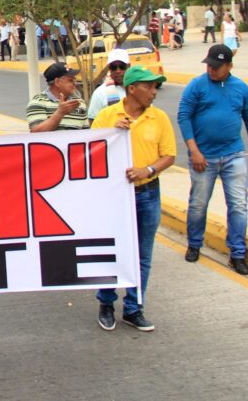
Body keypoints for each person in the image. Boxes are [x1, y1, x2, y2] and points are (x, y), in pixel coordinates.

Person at [92, 66, 176, 332]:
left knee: (142, 253)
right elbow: (89, 152)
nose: (154, 92)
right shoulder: (107, 116)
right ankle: (106, 303)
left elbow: (169, 155)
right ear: (132, 89)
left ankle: (134, 307)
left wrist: (148, 170)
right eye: (149, 87)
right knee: (112, 250)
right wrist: (111, 135)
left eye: (155, 87)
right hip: (114, 195)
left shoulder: (159, 118)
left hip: (147, 192)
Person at [177, 45, 248, 274]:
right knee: (198, 205)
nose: (211, 70)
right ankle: (194, 244)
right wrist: (194, 150)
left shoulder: (241, 88)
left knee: (238, 205)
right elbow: (184, 116)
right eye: (208, 65)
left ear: (229, 66)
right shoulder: (197, 86)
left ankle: (237, 253)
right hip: (203, 157)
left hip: (234, 154)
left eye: (216, 66)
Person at [27, 63, 89, 132]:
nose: (75, 83)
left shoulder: (79, 103)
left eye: (75, 80)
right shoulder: (38, 102)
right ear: (57, 82)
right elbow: (37, 133)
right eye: (70, 80)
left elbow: (86, 134)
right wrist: (60, 113)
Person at [87, 49, 130, 123]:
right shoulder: (99, 93)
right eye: (114, 67)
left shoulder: (138, 89)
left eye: (122, 66)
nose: (118, 71)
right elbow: (92, 121)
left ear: (128, 66)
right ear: (109, 68)